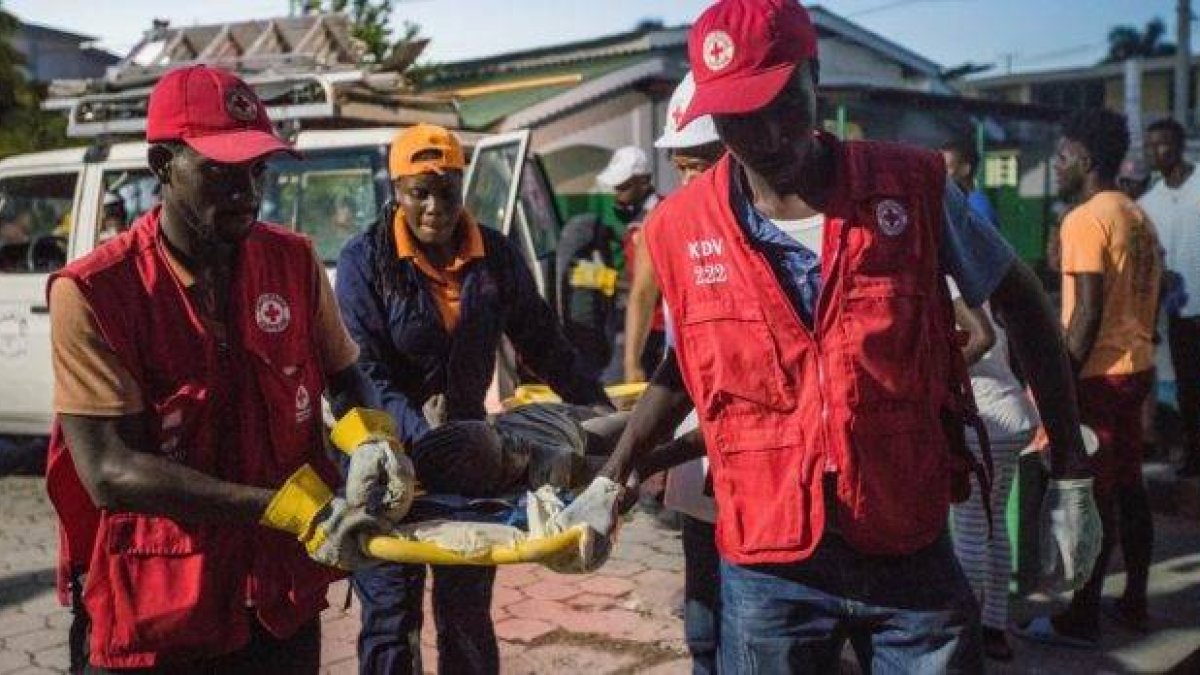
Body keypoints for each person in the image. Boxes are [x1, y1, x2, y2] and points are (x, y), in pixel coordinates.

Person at [591, 1, 1100, 671]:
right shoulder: (681, 229)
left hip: (906, 543)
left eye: (779, 101)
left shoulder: (911, 189)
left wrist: (1069, 467)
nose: (764, 133)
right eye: (736, 114)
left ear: (814, 75)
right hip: (770, 565)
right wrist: (612, 473)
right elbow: (685, 367)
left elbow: (1025, 304)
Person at [44, 65, 407, 673]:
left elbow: (345, 378)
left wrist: (370, 438)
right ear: (161, 164)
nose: (246, 190)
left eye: (257, 170)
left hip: (276, 600)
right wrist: (287, 508)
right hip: (161, 612)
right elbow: (110, 469)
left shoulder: (292, 262)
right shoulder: (95, 293)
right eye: (220, 171)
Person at [335, 123, 611, 674]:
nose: (436, 207)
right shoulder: (365, 260)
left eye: (448, 191)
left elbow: (544, 344)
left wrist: (600, 408)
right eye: (420, 192)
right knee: (390, 616)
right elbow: (364, 372)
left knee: (466, 614)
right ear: (397, 190)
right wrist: (420, 442)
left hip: (468, 464)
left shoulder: (495, 257)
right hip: (384, 460)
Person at [1022, 108, 1163, 645]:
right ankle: (1135, 602)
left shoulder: (1085, 218)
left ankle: (1079, 617)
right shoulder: (1136, 213)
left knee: (1092, 497)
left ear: (1082, 158)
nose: (1057, 166)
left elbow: (1085, 314)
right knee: (1131, 489)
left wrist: (1058, 385)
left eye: (1060, 157)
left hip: (1099, 376)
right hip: (1137, 366)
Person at [946, 277, 1039, 662]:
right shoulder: (980, 281)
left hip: (985, 418)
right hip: (1012, 411)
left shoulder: (947, 280)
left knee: (969, 527)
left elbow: (979, 336)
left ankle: (964, 637)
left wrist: (941, 372)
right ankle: (993, 627)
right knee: (992, 520)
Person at [624, 73, 726, 385]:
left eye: (697, 166)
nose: (687, 181)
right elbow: (642, 294)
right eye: (680, 168)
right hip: (689, 378)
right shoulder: (666, 221)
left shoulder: (767, 219)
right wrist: (632, 366)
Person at [1139, 117, 1200, 476]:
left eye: (1160, 145)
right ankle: (1194, 456)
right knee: (1189, 387)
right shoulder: (1148, 203)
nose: (1153, 152)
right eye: (1148, 146)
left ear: (1177, 146)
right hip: (1180, 313)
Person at [598, 145, 661, 380]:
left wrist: (606, 279)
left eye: (623, 187)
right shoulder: (638, 218)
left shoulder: (654, 220)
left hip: (654, 331)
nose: (617, 195)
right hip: (643, 325)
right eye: (616, 188)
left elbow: (646, 287)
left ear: (644, 182)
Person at [941, 138, 1001, 229]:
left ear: (965, 170)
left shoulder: (978, 208)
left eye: (947, 167)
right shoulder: (956, 203)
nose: (941, 172)